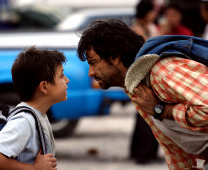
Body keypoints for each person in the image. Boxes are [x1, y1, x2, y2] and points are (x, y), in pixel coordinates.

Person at [77, 19, 208, 169]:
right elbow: (174, 147)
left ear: (114, 57)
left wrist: (162, 110)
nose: (90, 73)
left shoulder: (162, 73)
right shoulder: (138, 87)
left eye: (93, 62)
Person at [0, 47, 69, 170]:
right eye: (61, 76)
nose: (67, 80)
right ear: (44, 86)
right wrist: (34, 168)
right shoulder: (24, 121)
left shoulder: (37, 116)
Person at [130, 0, 161, 164]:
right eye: (152, 11)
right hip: (140, 76)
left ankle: (146, 152)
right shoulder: (136, 30)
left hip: (151, 75)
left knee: (148, 115)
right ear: (146, 12)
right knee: (146, 115)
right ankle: (142, 154)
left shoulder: (151, 27)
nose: (155, 14)